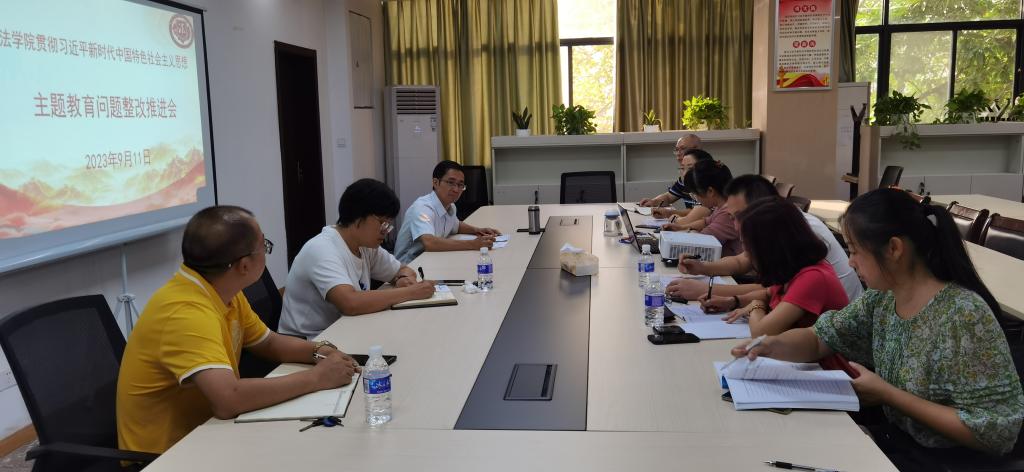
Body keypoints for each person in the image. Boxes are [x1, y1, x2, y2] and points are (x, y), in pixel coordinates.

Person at [730, 189, 1024, 465]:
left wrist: (888, 394)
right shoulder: (882, 298)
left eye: (855, 251)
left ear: (894, 248)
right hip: (899, 442)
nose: (850, 262)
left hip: (947, 461)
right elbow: (820, 339)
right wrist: (772, 345)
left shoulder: (963, 315)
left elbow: (995, 433)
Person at [117, 206, 360, 454]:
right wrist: (317, 378)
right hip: (166, 456)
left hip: (210, 433)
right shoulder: (185, 312)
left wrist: (319, 351)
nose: (266, 250)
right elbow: (228, 400)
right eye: (264, 245)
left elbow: (268, 343)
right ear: (244, 265)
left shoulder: (222, 290)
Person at [666, 174, 862, 303]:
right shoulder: (775, 222)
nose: (736, 226)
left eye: (739, 216)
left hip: (836, 324)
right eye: (732, 217)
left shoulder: (795, 230)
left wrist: (707, 289)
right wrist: (702, 268)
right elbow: (742, 261)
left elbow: (772, 289)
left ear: (762, 207)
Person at [278, 179, 435, 339]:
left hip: (344, 330)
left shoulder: (365, 245)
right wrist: (410, 292)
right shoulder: (321, 249)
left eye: (389, 225)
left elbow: (403, 269)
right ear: (358, 216)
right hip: (310, 341)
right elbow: (350, 303)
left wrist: (401, 279)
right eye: (383, 223)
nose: (386, 231)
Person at [710, 197, 849, 340]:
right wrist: (733, 301)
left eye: (748, 245)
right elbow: (768, 294)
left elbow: (760, 333)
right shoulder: (792, 266)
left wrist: (756, 306)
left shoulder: (813, 277)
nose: (746, 252)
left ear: (770, 246)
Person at [394, 160, 501, 264]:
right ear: (435, 182)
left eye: (460, 185)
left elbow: (456, 225)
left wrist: (478, 230)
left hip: (432, 259)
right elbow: (429, 242)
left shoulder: (450, 206)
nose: (456, 190)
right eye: (451, 183)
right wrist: (473, 244)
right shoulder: (423, 208)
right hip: (409, 265)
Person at [658, 159, 743, 257]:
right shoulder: (721, 205)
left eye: (695, 194)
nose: (696, 198)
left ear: (710, 191)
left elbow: (701, 241)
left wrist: (686, 231)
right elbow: (705, 222)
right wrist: (682, 227)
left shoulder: (728, 213)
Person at [638, 134, 703, 209]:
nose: (678, 153)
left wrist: (670, 213)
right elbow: (669, 197)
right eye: (677, 150)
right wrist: (654, 202)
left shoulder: (707, 175)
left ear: (697, 150)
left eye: (683, 149)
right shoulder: (685, 176)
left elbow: (701, 211)